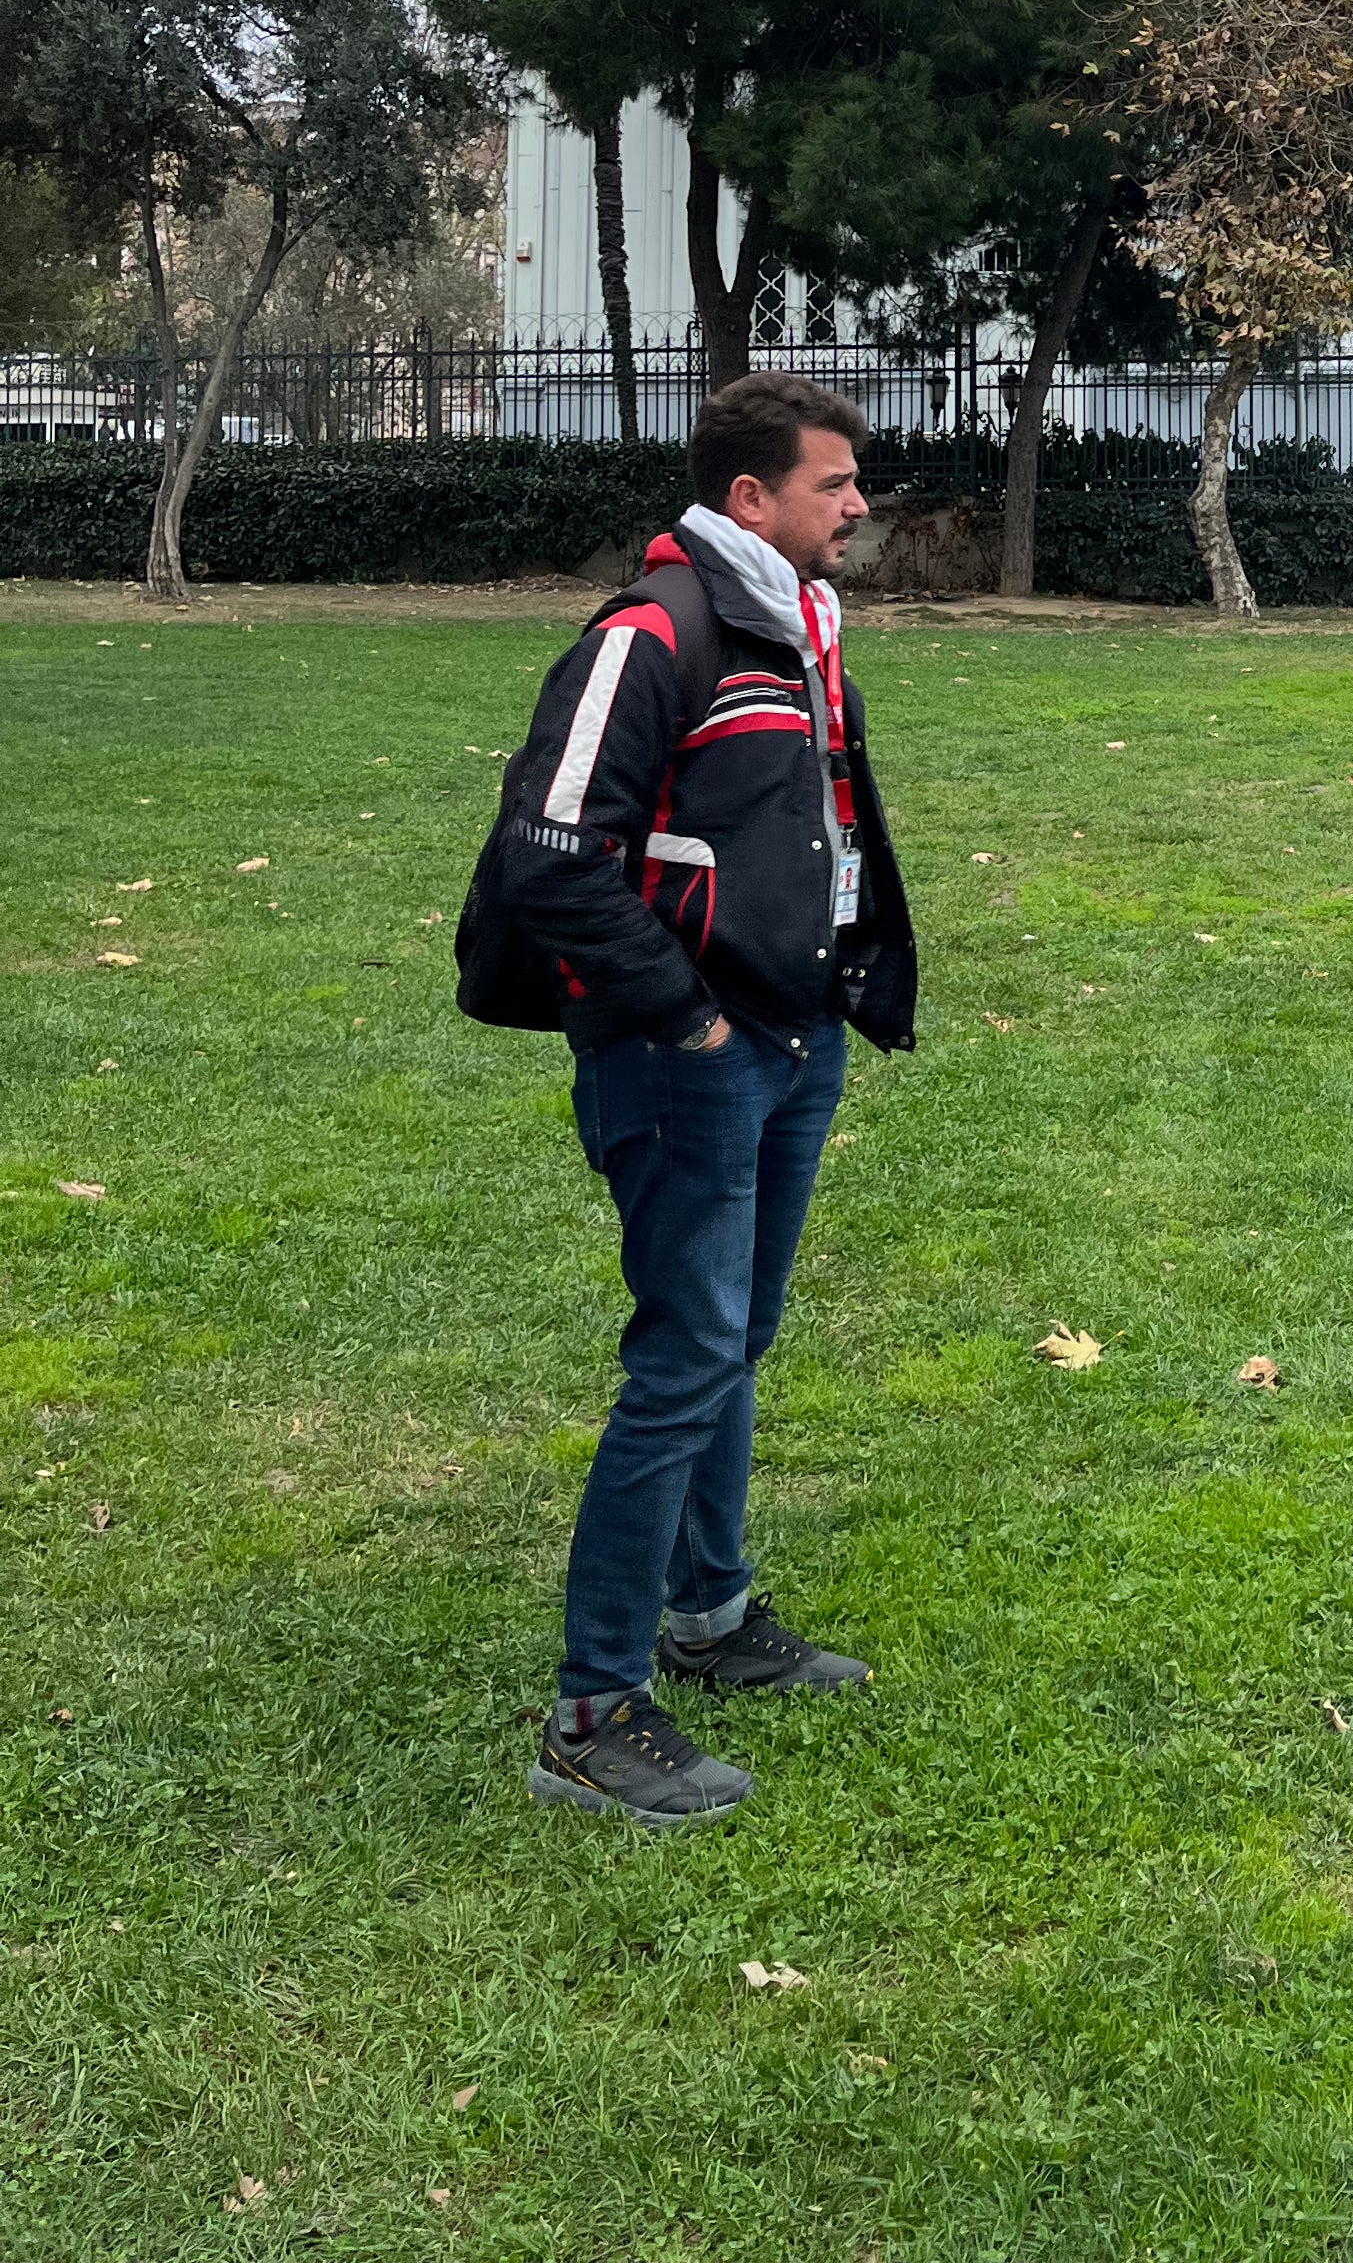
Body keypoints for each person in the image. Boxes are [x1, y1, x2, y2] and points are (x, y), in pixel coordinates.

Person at [473, 372, 916, 1827]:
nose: (857, 504)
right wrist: (694, 1024)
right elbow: (549, 857)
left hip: (794, 1038)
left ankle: (710, 1617)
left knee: (735, 1340)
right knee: (684, 1358)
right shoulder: (656, 632)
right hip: (691, 1059)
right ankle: (593, 1712)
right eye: (833, 483)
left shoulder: (791, 624)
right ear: (750, 499)